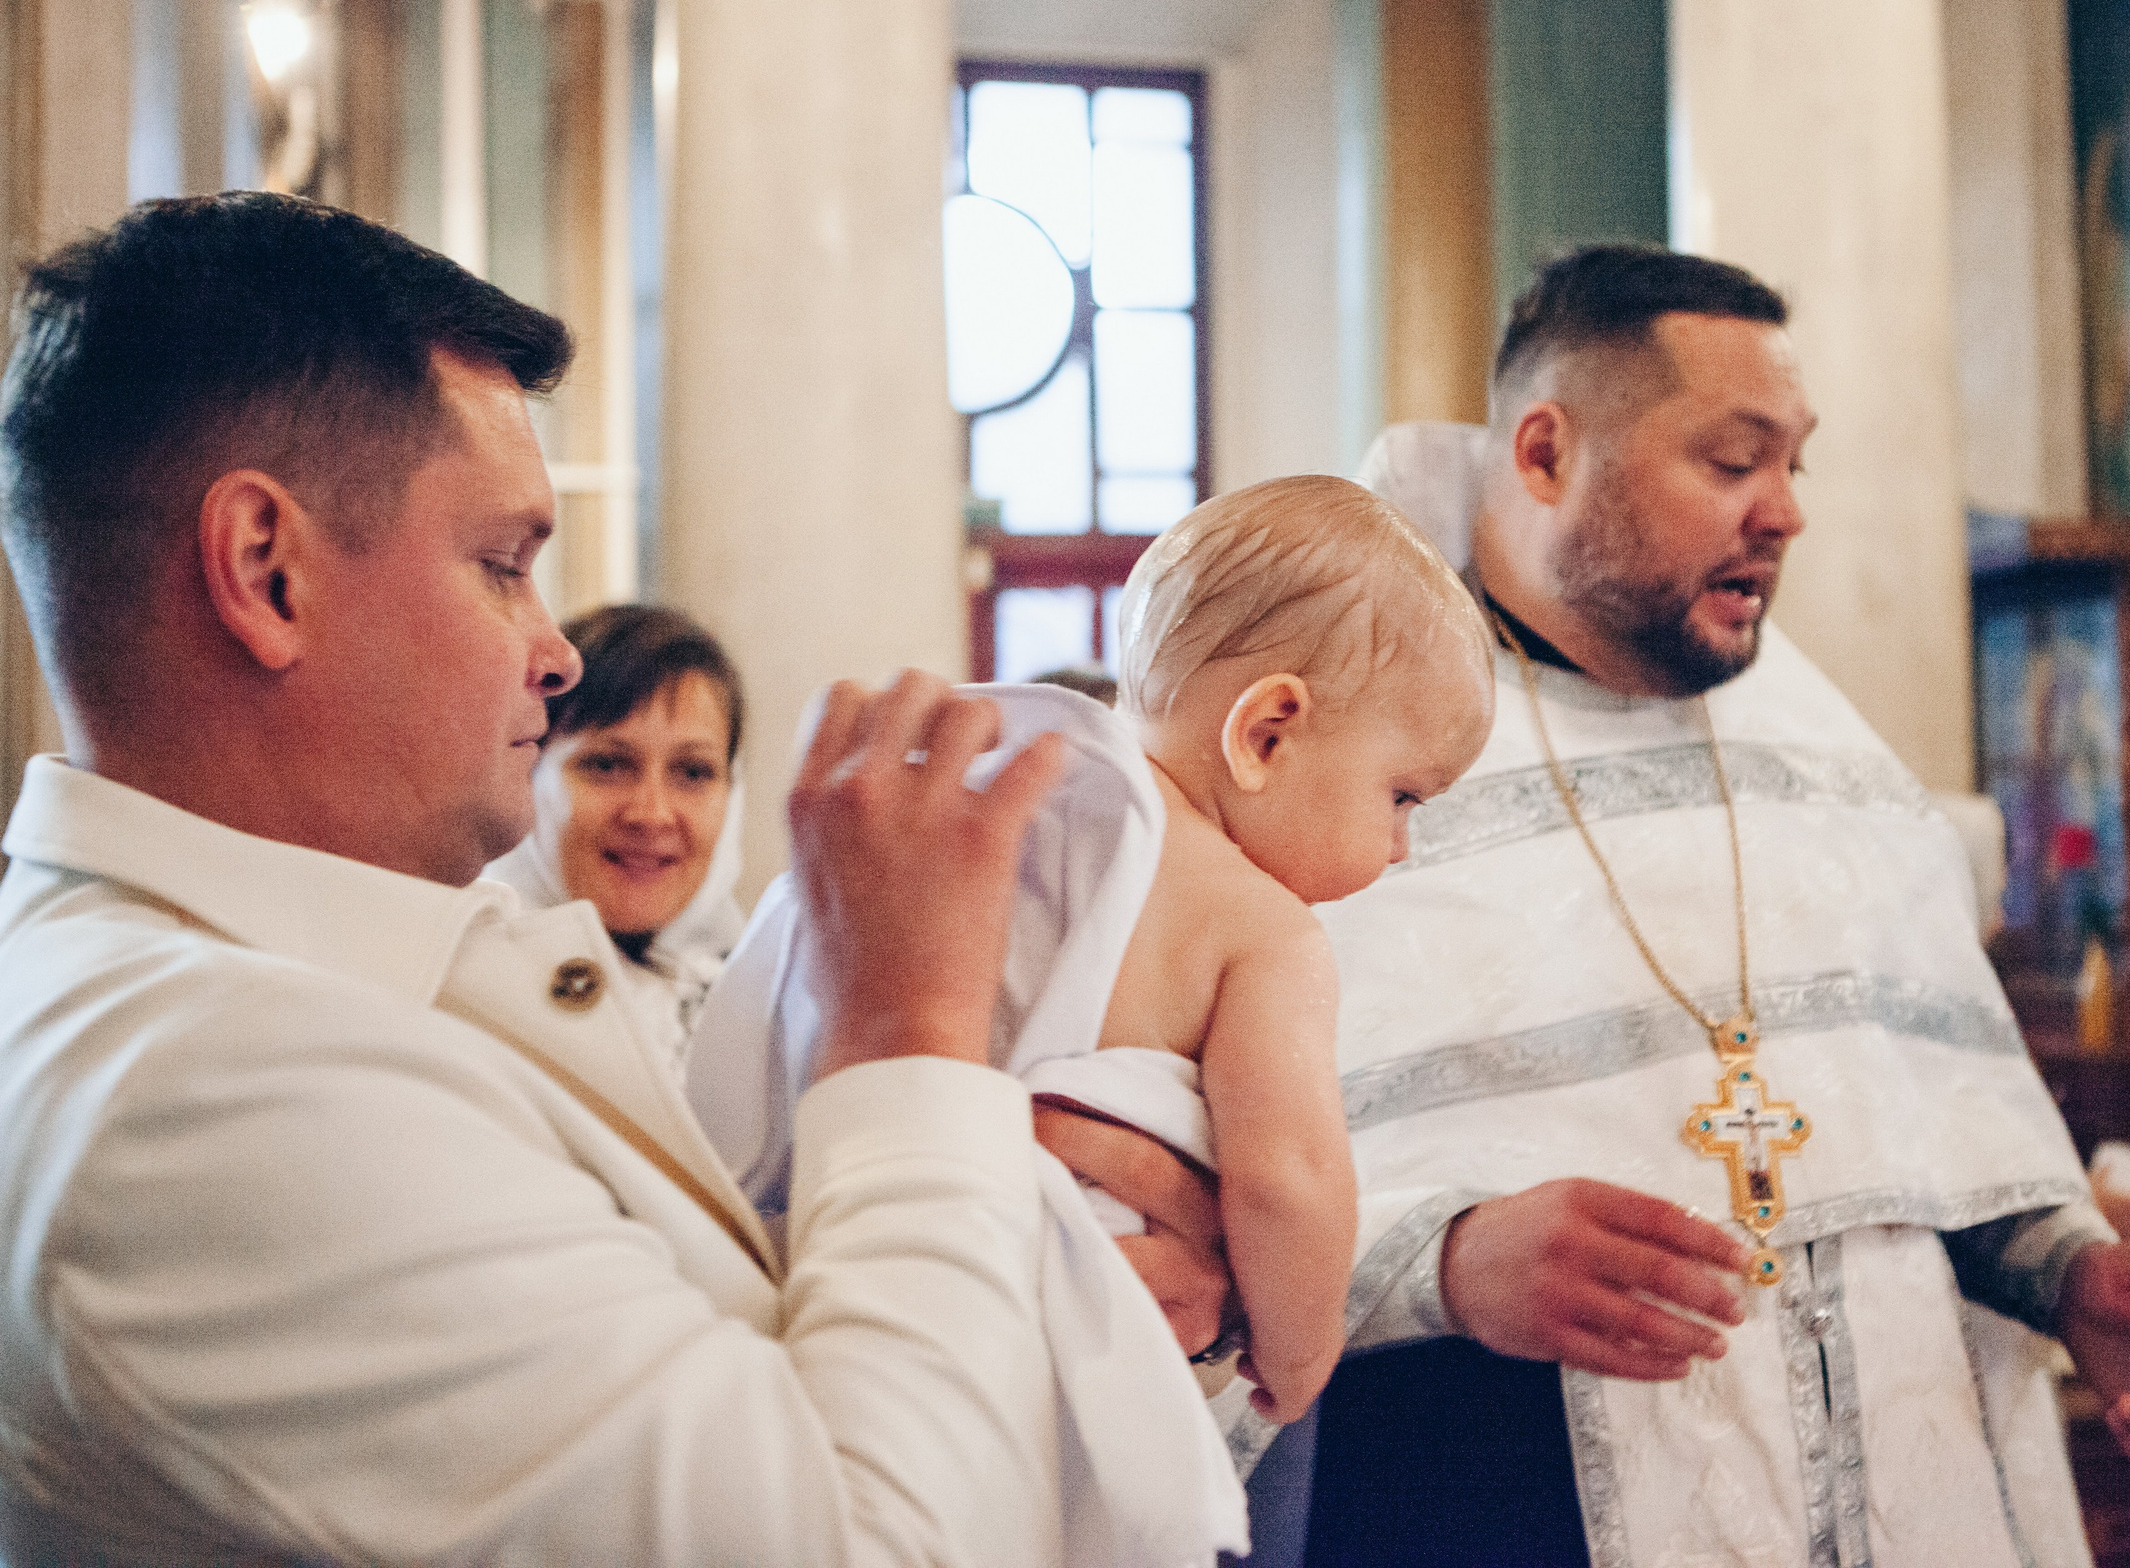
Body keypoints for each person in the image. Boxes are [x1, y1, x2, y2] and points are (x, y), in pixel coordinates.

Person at [0, 193, 1078, 1563]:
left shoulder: (289, 978)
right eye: (504, 563)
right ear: (266, 571)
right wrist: (911, 1027)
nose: (554, 653)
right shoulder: (195, 1086)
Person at [1245, 246, 2130, 1568]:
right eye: (1731, 462)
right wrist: (1453, 1261)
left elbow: (1923, 1130)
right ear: (1544, 454)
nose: (1784, 512)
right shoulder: (1328, 754)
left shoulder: (1824, 764)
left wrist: (2062, 1270)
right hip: (1495, 1490)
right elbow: (1209, 1191)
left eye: (1794, 464)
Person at [690, 475, 1496, 1564]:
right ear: (1268, 731)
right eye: (1402, 796)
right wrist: (1300, 1347)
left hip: (881, 1274)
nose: (1401, 846)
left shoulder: (996, 818)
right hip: (1095, 1332)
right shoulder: (1262, 929)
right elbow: (1287, 1181)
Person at [484, 602, 748, 1077]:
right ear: (529, 770)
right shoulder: (466, 1001)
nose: (651, 814)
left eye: (692, 772)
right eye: (606, 765)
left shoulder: (763, 1013)